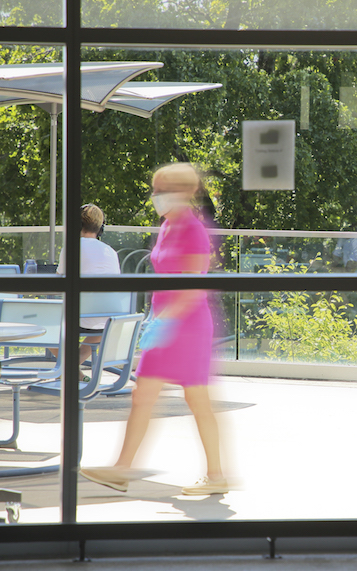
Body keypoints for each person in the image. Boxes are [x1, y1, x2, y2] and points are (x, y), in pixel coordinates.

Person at [81, 163, 227, 496]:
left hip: (186, 327)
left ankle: (216, 474)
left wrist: (162, 323)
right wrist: (155, 319)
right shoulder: (167, 227)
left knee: (197, 399)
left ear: (186, 192)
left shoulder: (193, 230)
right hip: (165, 323)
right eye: (155, 189)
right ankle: (122, 468)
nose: (156, 196)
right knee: (143, 395)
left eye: (163, 190)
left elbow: (191, 287)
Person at [54, 204, 120, 377]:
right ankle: (74, 372)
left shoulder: (71, 248)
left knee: (42, 323)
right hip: (109, 319)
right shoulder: (111, 252)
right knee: (97, 329)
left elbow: (59, 280)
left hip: (79, 318)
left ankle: (66, 368)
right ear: (101, 229)